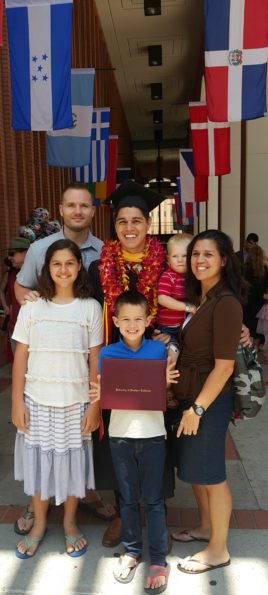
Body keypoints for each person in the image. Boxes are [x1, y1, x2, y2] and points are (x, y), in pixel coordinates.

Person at [13, 183, 115, 536]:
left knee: (75, 453)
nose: (77, 211)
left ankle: (78, 503)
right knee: (41, 454)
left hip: (77, 384)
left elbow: (95, 352)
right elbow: (22, 287)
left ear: (92, 210)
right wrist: (33, 303)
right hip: (40, 382)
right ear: (61, 209)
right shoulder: (39, 249)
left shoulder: (104, 253)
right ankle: (36, 513)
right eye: (70, 205)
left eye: (83, 205)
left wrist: (96, 399)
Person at [88, 180, 173, 548]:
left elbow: (176, 311)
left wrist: (172, 340)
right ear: (115, 226)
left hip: (154, 365)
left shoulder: (167, 261)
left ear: (148, 225)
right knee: (117, 440)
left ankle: (157, 516)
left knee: (155, 437)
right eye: (122, 221)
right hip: (115, 362)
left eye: (136, 220)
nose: (129, 228)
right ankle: (125, 515)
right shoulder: (98, 267)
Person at [11, 239, 103, 558]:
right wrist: (16, 402)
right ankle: (38, 525)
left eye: (69, 263)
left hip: (75, 402)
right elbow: (21, 356)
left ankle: (69, 523)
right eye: (56, 264)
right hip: (36, 401)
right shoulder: (33, 308)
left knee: (73, 465)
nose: (63, 270)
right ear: (47, 269)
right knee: (39, 467)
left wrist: (95, 404)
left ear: (79, 267)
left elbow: (95, 359)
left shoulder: (90, 308)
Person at [89, 290, 179, 594]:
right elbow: (105, 394)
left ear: (148, 320)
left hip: (153, 435)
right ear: (114, 320)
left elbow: (163, 388)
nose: (131, 324)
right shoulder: (107, 354)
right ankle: (130, 551)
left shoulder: (157, 351)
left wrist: (166, 382)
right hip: (120, 436)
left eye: (138, 319)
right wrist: (99, 395)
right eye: (125, 319)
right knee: (126, 499)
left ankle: (157, 559)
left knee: (153, 500)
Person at [171, 230, 247, 574]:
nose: (199, 260)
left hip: (209, 401)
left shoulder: (227, 302)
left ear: (224, 260)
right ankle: (205, 528)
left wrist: (198, 408)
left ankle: (219, 549)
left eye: (208, 255)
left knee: (212, 474)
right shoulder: (201, 298)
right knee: (198, 472)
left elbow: (225, 366)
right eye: (194, 254)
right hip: (191, 395)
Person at [157, 232, 196, 353]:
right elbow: (162, 298)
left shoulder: (192, 277)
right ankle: (169, 369)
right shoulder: (168, 276)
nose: (180, 260)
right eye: (175, 256)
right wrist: (187, 307)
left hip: (184, 326)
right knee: (172, 351)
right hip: (167, 328)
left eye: (185, 256)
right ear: (168, 259)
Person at [2, 237, 31, 355]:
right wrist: (6, 306)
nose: (9, 257)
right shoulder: (12, 274)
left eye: (12, 253)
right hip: (14, 328)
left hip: (32, 332)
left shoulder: (38, 274)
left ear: (25, 253)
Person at [243, 245, 268, 350]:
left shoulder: (244, 268)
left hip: (246, 299)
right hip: (259, 300)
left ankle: (248, 345)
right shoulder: (265, 269)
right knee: (257, 323)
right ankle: (257, 345)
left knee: (247, 322)